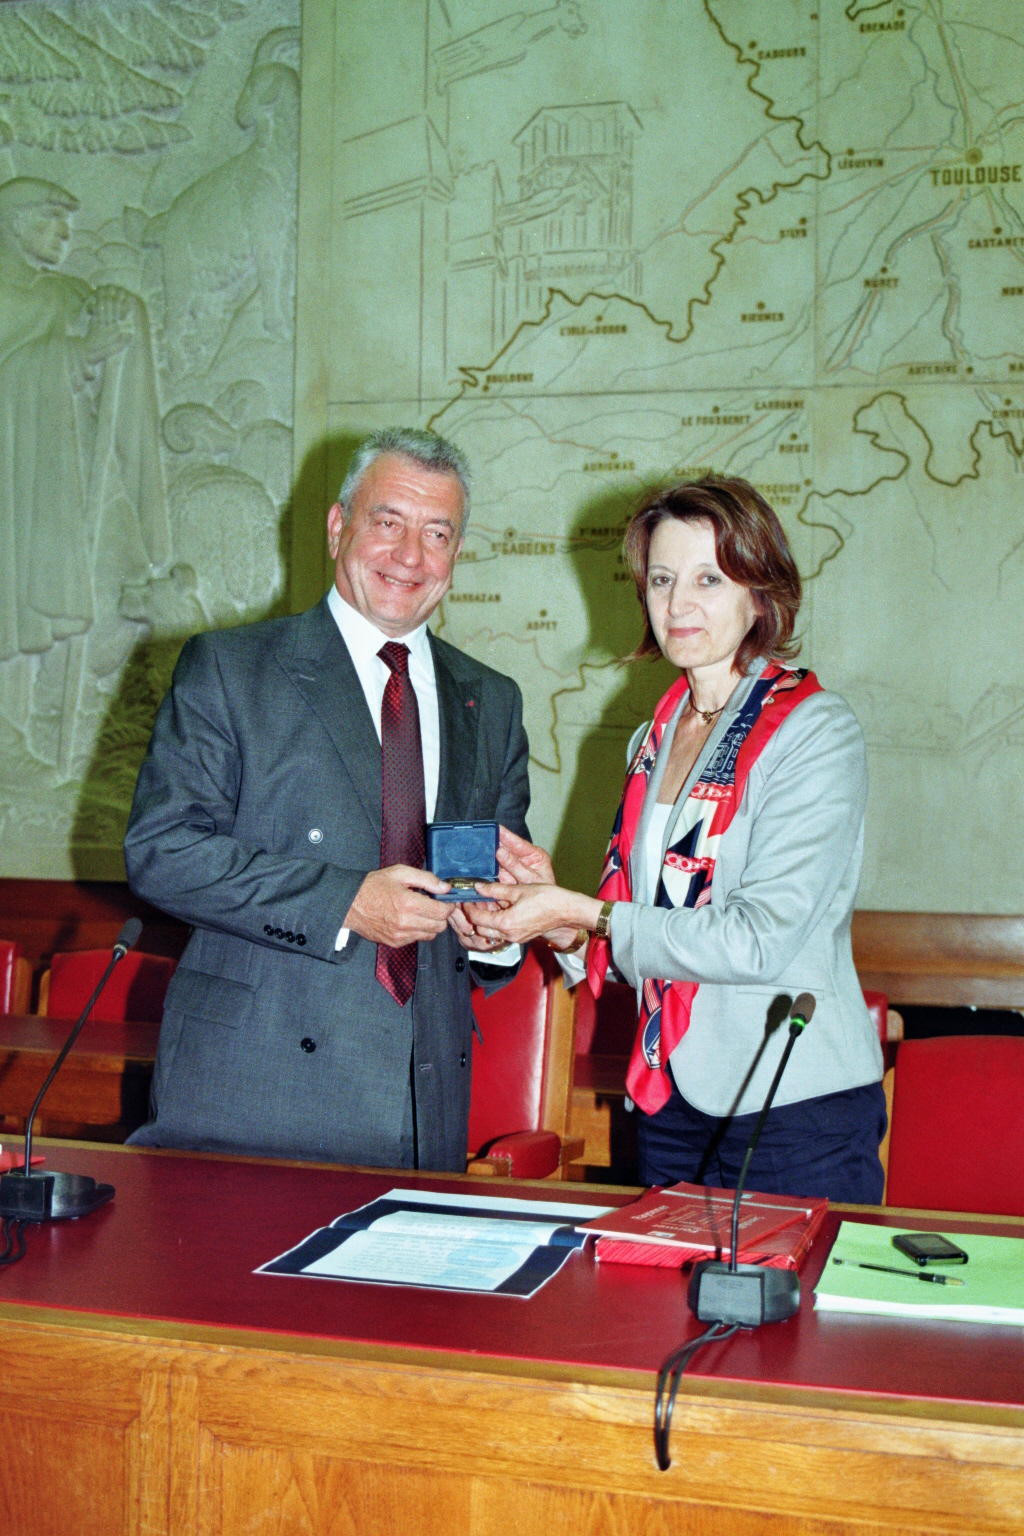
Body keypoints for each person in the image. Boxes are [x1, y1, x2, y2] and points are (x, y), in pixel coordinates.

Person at [468, 475, 886, 1203]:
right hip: (669, 1104)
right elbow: (653, 936)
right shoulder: (653, 737)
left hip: (792, 1106)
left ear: (760, 593)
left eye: (708, 579)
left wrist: (584, 911)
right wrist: (560, 925)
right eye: (662, 580)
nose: (678, 603)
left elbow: (756, 941)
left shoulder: (814, 730)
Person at [124, 427, 529, 1170]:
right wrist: (345, 902)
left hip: (424, 1112)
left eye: (437, 533)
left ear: (457, 553)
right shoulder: (231, 669)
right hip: (256, 1098)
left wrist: (498, 929)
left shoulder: (492, 700)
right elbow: (164, 852)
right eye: (388, 522)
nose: (410, 555)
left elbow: (486, 890)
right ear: (338, 526)